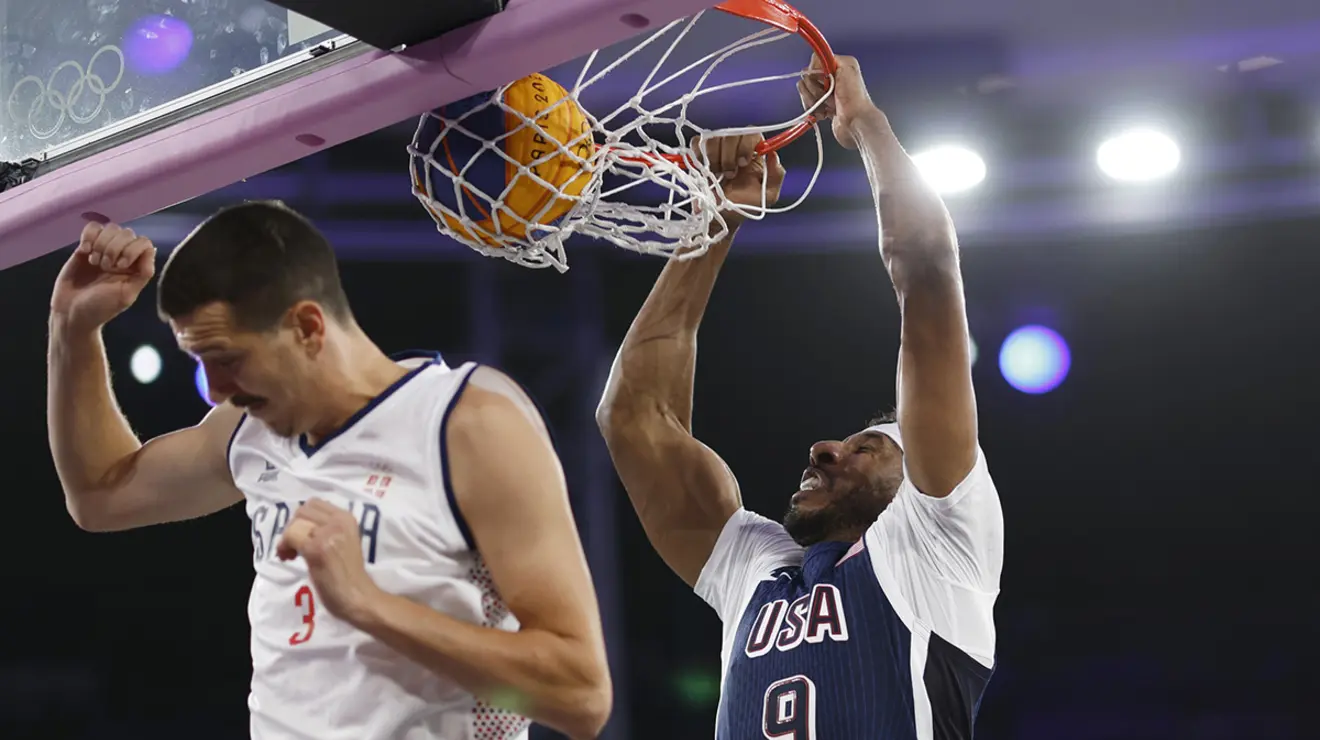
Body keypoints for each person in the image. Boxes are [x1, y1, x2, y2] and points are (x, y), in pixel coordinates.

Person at [46, 202, 612, 740]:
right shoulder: (247, 430)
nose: (216, 390)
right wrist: (72, 330)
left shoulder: (468, 424)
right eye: (201, 363)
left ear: (308, 327)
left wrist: (369, 605)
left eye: (227, 359)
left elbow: (580, 695)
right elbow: (99, 495)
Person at [596, 54, 1003, 739]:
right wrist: (720, 215)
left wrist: (865, 125)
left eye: (866, 449)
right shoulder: (758, 567)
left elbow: (927, 267)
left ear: (921, 486)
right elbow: (634, 417)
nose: (823, 449)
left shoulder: (935, 544)